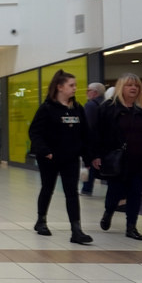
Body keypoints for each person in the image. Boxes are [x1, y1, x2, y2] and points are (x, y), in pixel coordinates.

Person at [93, 73, 142, 241]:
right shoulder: (108, 108)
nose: (133, 88)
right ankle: (108, 211)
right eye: (129, 85)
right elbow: (97, 134)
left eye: (137, 86)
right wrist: (96, 155)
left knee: (135, 193)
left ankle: (131, 226)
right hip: (117, 161)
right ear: (120, 88)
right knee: (114, 193)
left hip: (140, 160)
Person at [27, 69, 93, 244]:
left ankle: (76, 230)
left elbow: (85, 134)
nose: (74, 88)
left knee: (72, 192)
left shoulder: (77, 109)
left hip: (70, 158)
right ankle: (41, 220)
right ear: (60, 87)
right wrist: (45, 151)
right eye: (71, 85)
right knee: (47, 187)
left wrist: (88, 156)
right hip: (49, 157)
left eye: (75, 85)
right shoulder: (47, 108)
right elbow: (35, 132)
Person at [80, 82, 106, 195]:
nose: (87, 92)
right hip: (104, 142)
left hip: (93, 141)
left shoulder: (90, 105)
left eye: (88, 90)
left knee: (89, 164)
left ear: (94, 92)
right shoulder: (106, 103)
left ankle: (86, 188)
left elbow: (88, 126)